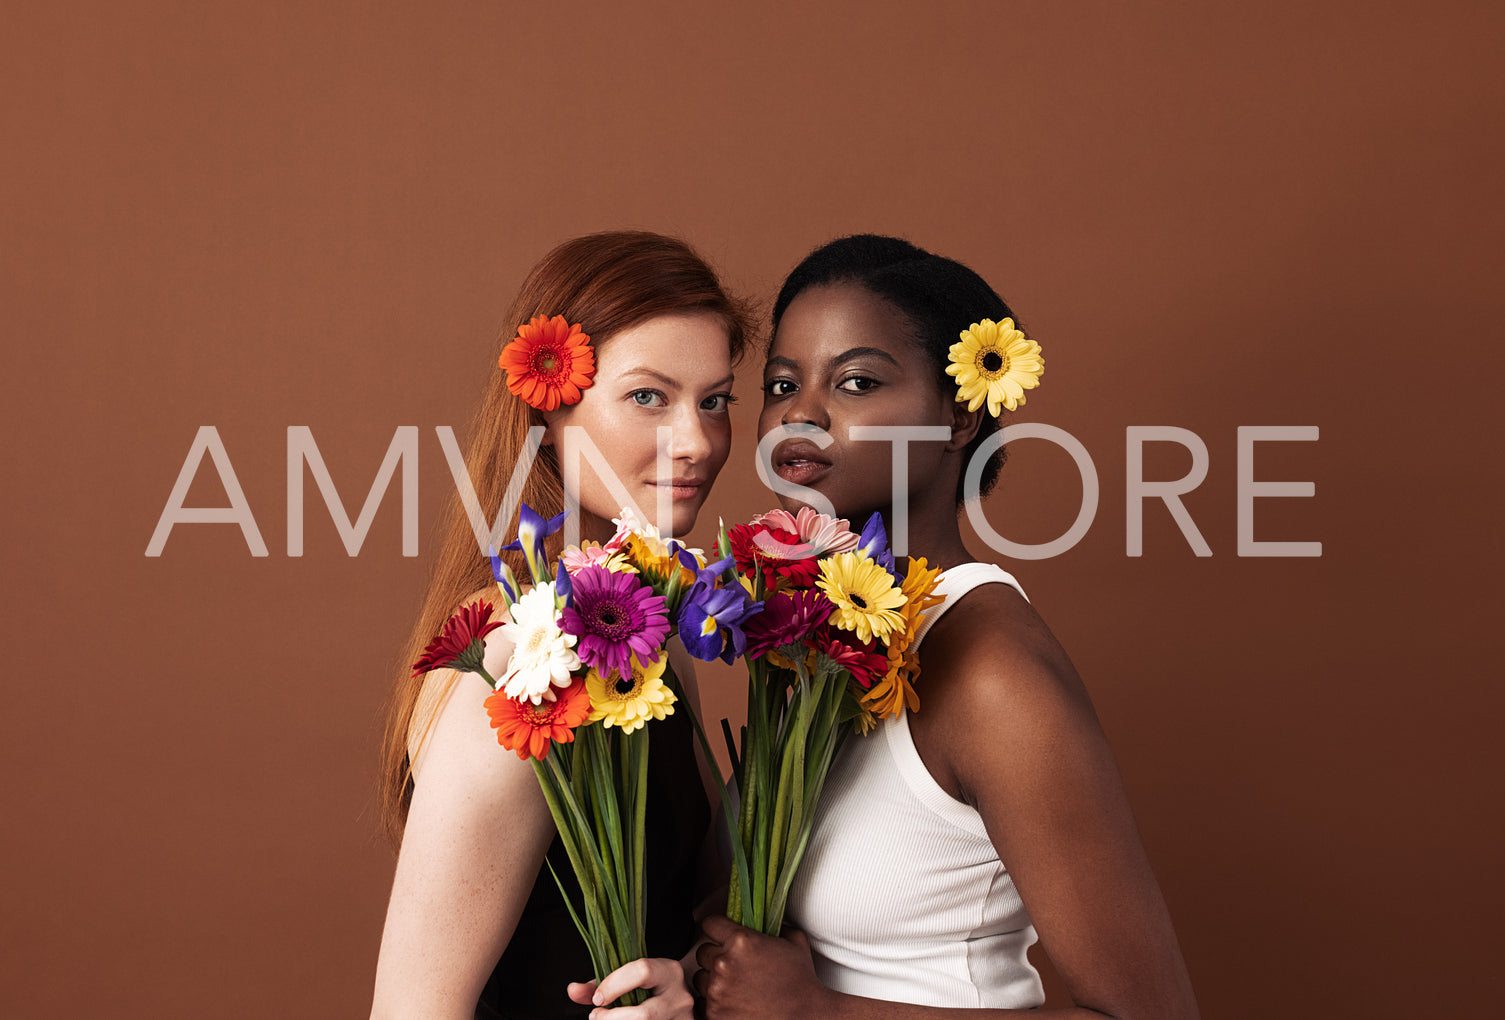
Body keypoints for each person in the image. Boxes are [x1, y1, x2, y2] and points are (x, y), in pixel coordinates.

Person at [694, 235, 1199, 1019]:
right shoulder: (822, 633)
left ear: (958, 415)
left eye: (856, 381)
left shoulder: (992, 672)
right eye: (781, 382)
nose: (800, 412)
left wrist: (821, 1013)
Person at [371, 231, 754, 1020]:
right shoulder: (517, 659)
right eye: (649, 396)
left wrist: (684, 982)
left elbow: (682, 910)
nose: (696, 442)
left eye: (713, 401)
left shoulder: (631, 623)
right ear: (547, 408)